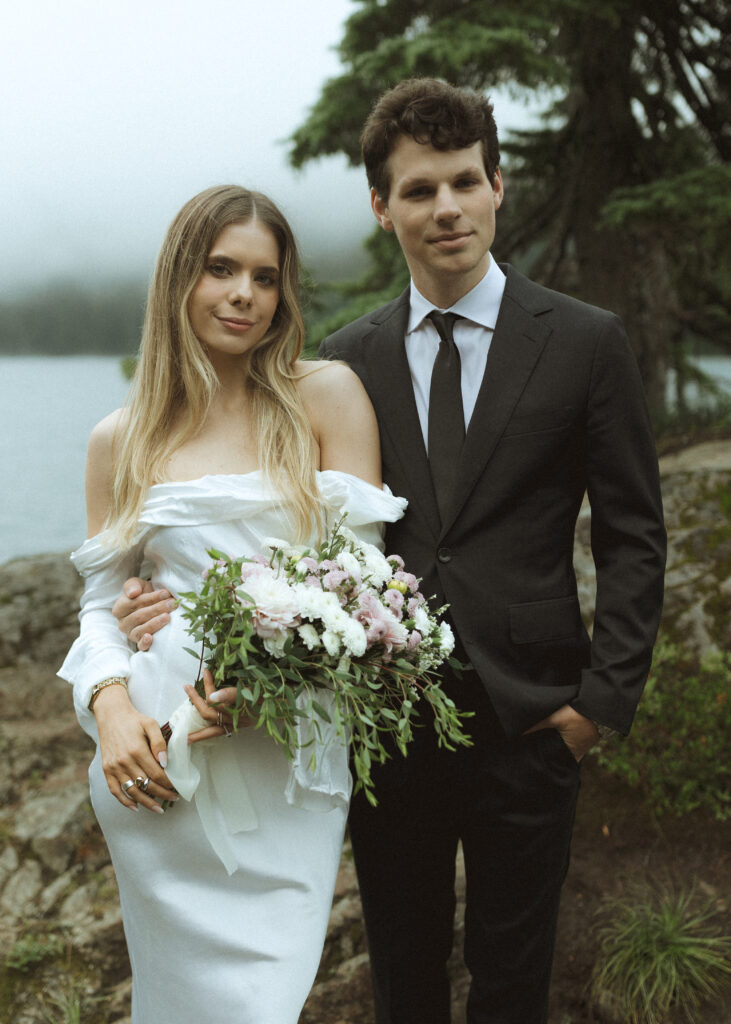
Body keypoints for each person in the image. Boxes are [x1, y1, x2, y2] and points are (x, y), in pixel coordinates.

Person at [113, 80, 667, 1024]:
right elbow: (290, 539)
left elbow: (633, 534)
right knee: (401, 985)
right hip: (382, 733)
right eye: (418, 191)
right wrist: (158, 593)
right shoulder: (341, 362)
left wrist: (594, 708)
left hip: (533, 721)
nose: (444, 208)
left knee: (512, 984)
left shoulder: (584, 342)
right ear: (382, 207)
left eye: (462, 182)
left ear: (499, 185)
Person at [58, 184, 407, 1024]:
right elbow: (101, 607)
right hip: (163, 757)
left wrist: (268, 683)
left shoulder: (325, 396)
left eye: (264, 275)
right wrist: (110, 711)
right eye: (220, 270)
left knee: (261, 1002)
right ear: (180, 278)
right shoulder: (122, 436)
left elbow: (364, 589)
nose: (243, 294)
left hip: (286, 748)